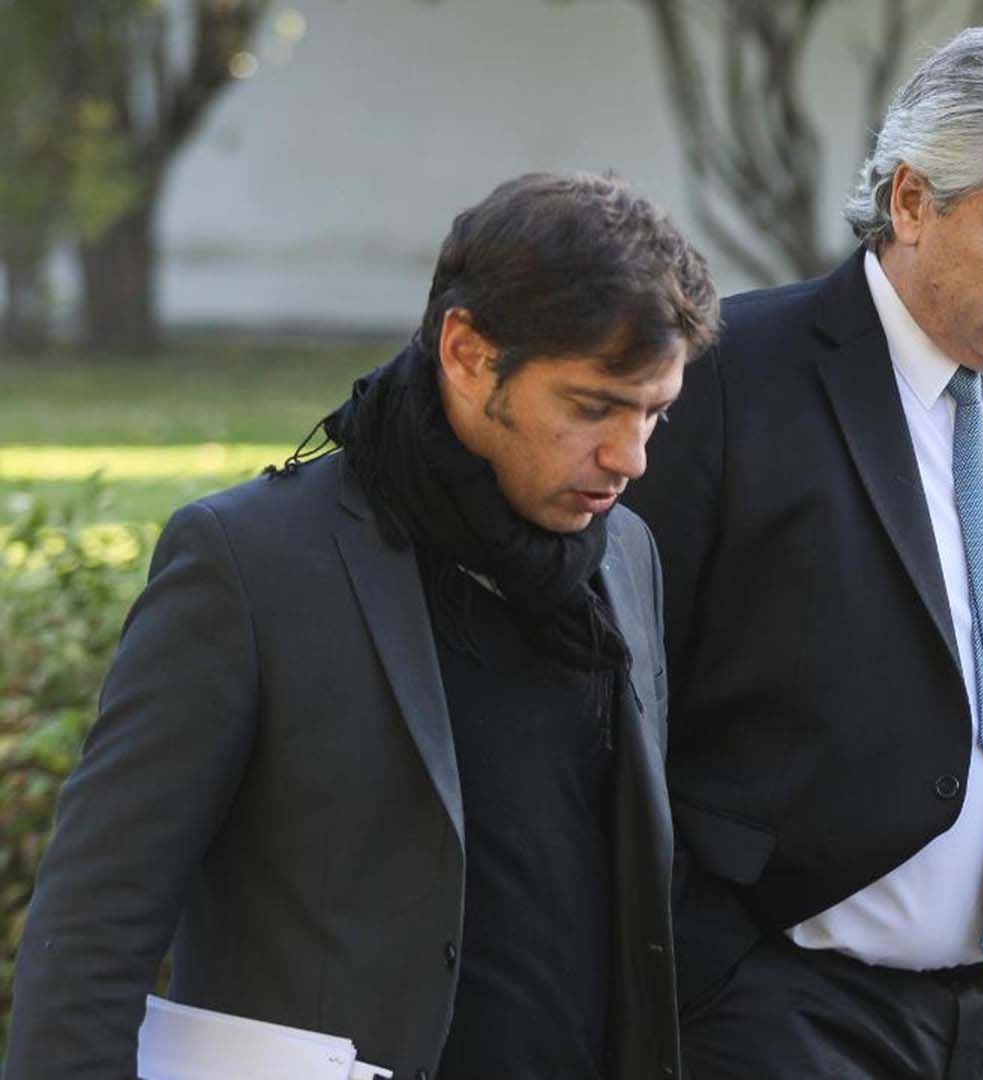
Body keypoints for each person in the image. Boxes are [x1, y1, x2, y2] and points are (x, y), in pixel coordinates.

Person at [3, 172, 718, 1080]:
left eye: (655, 411)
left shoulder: (626, 554)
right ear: (467, 351)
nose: (631, 456)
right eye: (592, 406)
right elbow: (92, 925)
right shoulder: (251, 563)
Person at [623, 26, 983, 1079]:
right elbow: (617, 698)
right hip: (784, 1013)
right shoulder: (727, 383)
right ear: (912, 201)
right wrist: (710, 971)